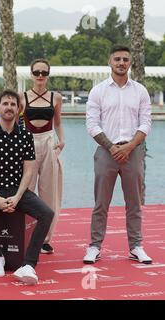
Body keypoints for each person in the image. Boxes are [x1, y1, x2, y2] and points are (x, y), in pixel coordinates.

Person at [0, 89, 53, 285]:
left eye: (13, 104)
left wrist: (17, 197)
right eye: (5, 104)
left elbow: (28, 171)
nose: (9, 107)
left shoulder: (25, 135)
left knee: (47, 214)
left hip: (18, 190)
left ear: (19, 109)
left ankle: (28, 265)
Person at [84, 45, 152, 264]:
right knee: (100, 204)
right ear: (109, 62)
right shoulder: (98, 91)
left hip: (133, 152)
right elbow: (92, 124)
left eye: (125, 59)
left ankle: (136, 247)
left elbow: (146, 122)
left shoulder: (140, 91)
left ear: (130, 62)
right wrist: (112, 148)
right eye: (117, 59)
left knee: (134, 203)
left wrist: (130, 146)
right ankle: (94, 246)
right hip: (106, 152)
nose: (121, 63)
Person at [20, 59, 64, 254]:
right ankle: (23, 233)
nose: (40, 76)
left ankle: (45, 238)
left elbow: (58, 123)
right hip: (27, 141)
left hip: (48, 141)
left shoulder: (56, 97)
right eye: (36, 72)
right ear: (31, 74)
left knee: (49, 191)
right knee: (25, 190)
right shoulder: (22, 97)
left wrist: (61, 141)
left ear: (48, 75)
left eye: (43, 73)